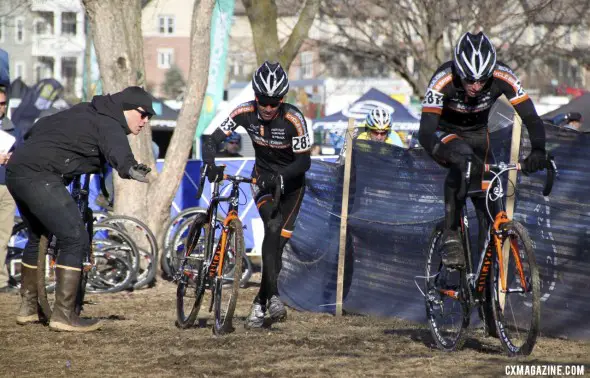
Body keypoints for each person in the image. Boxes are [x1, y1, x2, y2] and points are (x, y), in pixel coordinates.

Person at [5, 86, 154, 332]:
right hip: (40, 176)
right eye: (143, 114)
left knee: (36, 236)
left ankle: (28, 309)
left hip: (17, 170)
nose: (146, 121)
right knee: (74, 237)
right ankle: (64, 316)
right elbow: (119, 151)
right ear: (125, 108)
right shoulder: (110, 122)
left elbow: (37, 128)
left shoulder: (84, 110)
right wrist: (131, 168)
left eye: (150, 117)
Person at [418, 31, 547, 269]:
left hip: (479, 134)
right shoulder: (442, 80)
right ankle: (451, 233)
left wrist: (539, 149)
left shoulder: (503, 75)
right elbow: (425, 133)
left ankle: (484, 285)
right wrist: (445, 153)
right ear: (458, 71)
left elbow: (530, 116)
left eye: (482, 80)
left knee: (490, 203)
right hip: (444, 131)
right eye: (469, 80)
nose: (476, 86)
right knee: (463, 158)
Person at [202, 61, 311, 329]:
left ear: (282, 99)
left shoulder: (294, 119)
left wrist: (282, 177)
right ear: (255, 96)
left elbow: (304, 162)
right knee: (272, 228)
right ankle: (273, 297)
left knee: (278, 247)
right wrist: (211, 162)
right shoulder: (244, 112)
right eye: (263, 100)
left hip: (292, 185)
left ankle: (258, 305)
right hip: (262, 180)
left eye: (274, 102)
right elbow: (211, 139)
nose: (268, 107)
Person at [337, 107, 404, 163]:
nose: (379, 137)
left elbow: (402, 164)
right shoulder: (355, 134)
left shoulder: (394, 137)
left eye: (383, 133)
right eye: (375, 132)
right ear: (369, 130)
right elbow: (341, 162)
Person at [0, 87, 18, 293]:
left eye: (4, 103)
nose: (2, 108)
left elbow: (21, 151)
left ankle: (2, 281)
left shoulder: (12, 128)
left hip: (7, 186)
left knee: (3, 237)